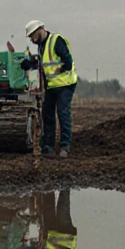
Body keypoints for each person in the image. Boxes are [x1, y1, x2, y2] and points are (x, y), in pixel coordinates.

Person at [21, 20, 78, 157]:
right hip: (52, 86)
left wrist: (60, 71)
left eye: (33, 36)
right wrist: (30, 64)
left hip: (65, 84)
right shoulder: (42, 46)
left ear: (40, 30)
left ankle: (64, 147)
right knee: (48, 115)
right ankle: (49, 146)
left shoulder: (56, 41)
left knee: (63, 113)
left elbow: (67, 62)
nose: (32, 40)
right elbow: (43, 64)